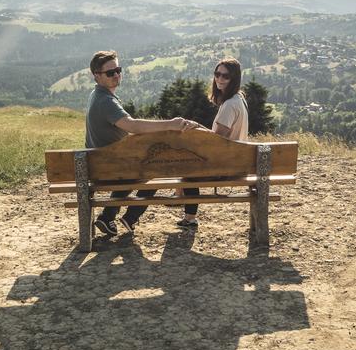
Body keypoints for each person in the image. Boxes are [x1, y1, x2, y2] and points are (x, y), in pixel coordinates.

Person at [86, 50, 198, 237]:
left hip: (103, 163)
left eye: (118, 70)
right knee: (154, 171)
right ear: (96, 76)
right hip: (110, 167)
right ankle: (129, 217)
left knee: (142, 168)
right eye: (110, 73)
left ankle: (110, 216)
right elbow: (132, 126)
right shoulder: (105, 101)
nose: (116, 75)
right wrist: (170, 124)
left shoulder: (97, 95)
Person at [178, 57, 249, 229]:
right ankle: (187, 212)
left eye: (225, 76)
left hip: (225, 164)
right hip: (237, 160)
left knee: (187, 169)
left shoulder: (229, 105)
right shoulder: (239, 99)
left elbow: (216, 141)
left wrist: (196, 127)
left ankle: (189, 216)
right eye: (217, 74)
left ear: (234, 79)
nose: (220, 79)